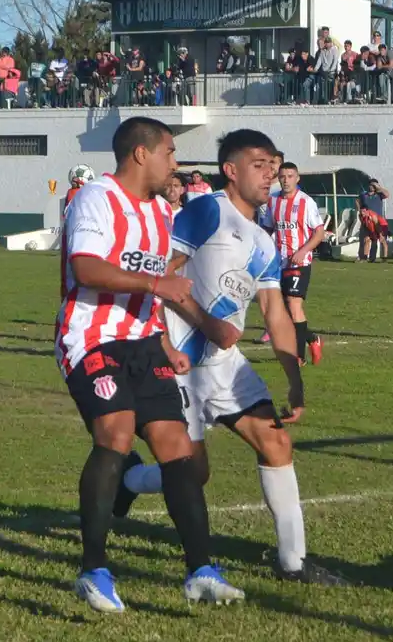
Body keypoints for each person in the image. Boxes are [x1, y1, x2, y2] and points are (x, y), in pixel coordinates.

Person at [117, 129, 344, 585]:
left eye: (274, 164)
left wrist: (293, 379)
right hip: (178, 364)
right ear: (231, 170)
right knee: (193, 474)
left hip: (224, 365)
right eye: (259, 164)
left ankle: (293, 563)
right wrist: (204, 324)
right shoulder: (205, 212)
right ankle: (130, 481)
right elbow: (162, 276)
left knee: (276, 442)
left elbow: (274, 312)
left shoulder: (263, 239)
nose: (271, 173)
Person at [56, 116, 239, 613]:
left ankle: (200, 570)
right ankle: (94, 571)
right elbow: (86, 269)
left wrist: (166, 338)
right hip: (90, 338)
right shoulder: (96, 198)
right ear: (141, 154)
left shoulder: (161, 212)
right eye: (169, 154)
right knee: (116, 432)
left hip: (143, 342)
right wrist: (159, 288)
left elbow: (154, 282)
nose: (174, 165)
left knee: (178, 450)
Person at [266, 161, 327, 365]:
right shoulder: (272, 201)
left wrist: (303, 251)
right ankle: (312, 338)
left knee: (294, 305)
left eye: (290, 176)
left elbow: (319, 232)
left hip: (299, 262)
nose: (286, 180)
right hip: (278, 262)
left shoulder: (306, 202)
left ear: (297, 178)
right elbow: (267, 229)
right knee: (283, 312)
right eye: (282, 176)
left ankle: (298, 356)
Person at [356, 178, 390, 262]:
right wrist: (360, 210)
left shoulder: (379, 194)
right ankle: (362, 257)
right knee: (364, 239)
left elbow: (387, 194)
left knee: (375, 240)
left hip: (377, 220)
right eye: (371, 185)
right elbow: (357, 200)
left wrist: (379, 188)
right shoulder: (364, 194)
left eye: (374, 185)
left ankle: (372, 258)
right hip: (366, 220)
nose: (372, 187)